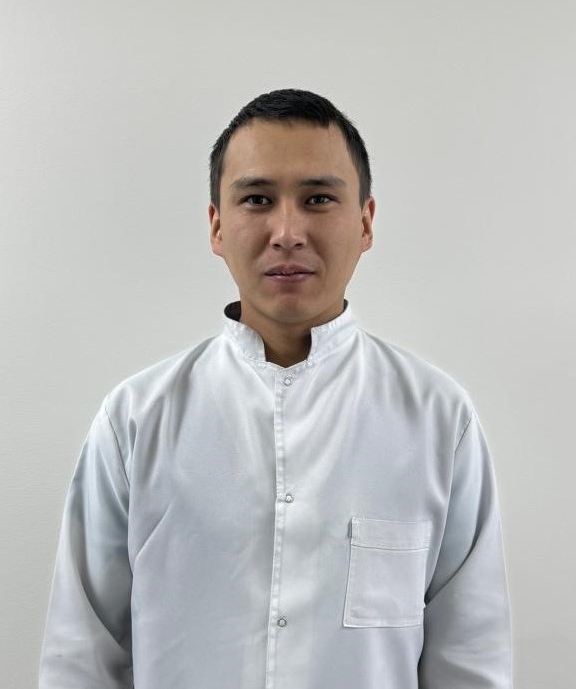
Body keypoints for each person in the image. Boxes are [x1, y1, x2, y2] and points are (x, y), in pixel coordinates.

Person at [39, 88, 512, 688]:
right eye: (257, 199)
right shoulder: (134, 420)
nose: (287, 232)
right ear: (217, 226)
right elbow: (81, 658)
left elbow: (470, 660)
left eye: (318, 199)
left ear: (366, 222)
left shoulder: (439, 420)